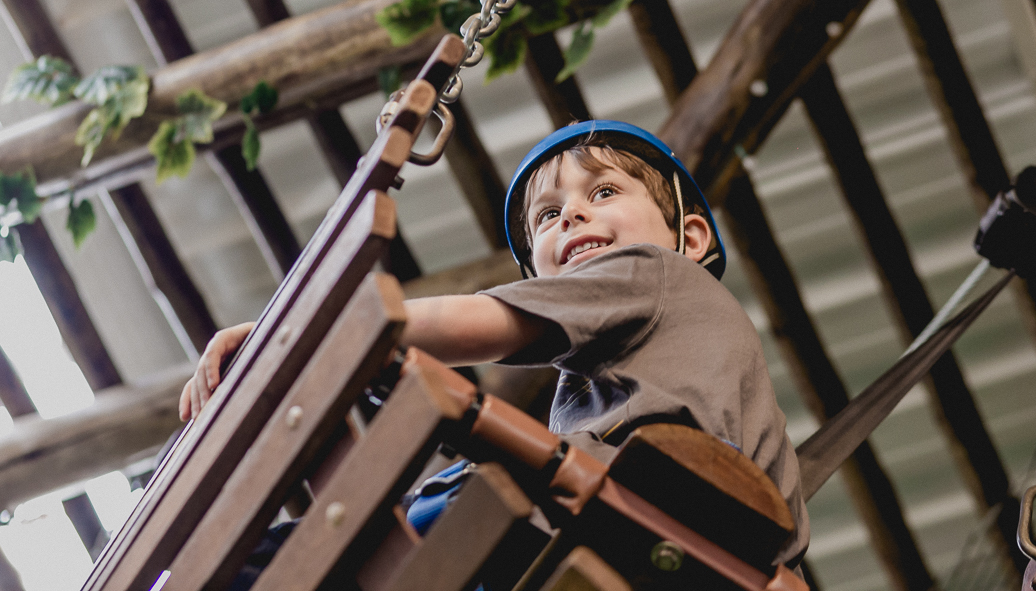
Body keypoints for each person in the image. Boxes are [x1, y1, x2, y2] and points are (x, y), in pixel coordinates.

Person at [180, 120, 808, 566]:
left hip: (649, 511)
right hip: (657, 527)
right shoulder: (633, 368)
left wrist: (308, 335)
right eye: (547, 216)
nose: (572, 215)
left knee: (268, 558)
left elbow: (482, 321)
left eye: (604, 192)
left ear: (689, 239)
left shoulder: (655, 271)